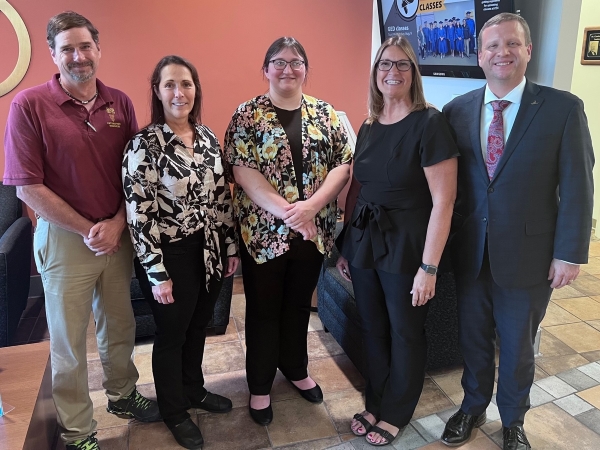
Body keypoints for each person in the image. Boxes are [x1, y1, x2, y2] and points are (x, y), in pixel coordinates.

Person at [2, 11, 160, 450]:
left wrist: (118, 224)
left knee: (119, 325)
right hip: (66, 240)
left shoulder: (120, 103)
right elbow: (27, 187)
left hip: (117, 233)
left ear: (98, 49)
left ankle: (123, 395)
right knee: (69, 344)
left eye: (85, 46)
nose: (78, 56)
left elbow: (138, 173)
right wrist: (92, 228)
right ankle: (77, 430)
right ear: (53, 55)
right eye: (67, 48)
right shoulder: (30, 106)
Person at [441, 13, 594, 450]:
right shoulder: (457, 110)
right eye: (492, 46)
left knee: (517, 346)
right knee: (471, 340)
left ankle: (513, 420)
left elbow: (579, 186)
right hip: (471, 253)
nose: (501, 53)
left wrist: (570, 253)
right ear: (479, 55)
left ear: (528, 51)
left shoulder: (562, 109)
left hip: (530, 257)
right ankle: (471, 407)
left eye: (511, 44)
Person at [337, 35, 458, 446]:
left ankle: (395, 412)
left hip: (408, 243)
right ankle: (376, 400)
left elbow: (444, 201)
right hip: (365, 240)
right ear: (375, 72)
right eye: (385, 64)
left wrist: (429, 267)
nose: (393, 72)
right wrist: (345, 247)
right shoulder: (369, 123)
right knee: (373, 326)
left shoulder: (430, 122)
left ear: (414, 72)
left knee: (405, 330)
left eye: (403, 64)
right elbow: (359, 187)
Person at [224, 37, 352, 425]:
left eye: (296, 62)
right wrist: (290, 213)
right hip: (263, 235)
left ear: (305, 70)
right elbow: (242, 172)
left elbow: (343, 164)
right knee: (263, 310)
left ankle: (295, 369)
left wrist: (311, 208)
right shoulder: (247, 115)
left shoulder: (326, 115)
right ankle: (260, 385)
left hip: (312, 233)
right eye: (278, 62)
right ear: (265, 70)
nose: (287, 69)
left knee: (298, 306)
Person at [122, 55, 239, 449]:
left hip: (208, 250)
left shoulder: (207, 137)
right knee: (172, 334)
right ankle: (174, 409)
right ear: (157, 91)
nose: (179, 92)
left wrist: (229, 246)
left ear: (195, 90)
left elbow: (222, 197)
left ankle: (194, 390)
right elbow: (139, 216)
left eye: (186, 84)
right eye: (170, 84)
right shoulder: (143, 145)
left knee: (197, 326)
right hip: (168, 255)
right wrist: (156, 273)